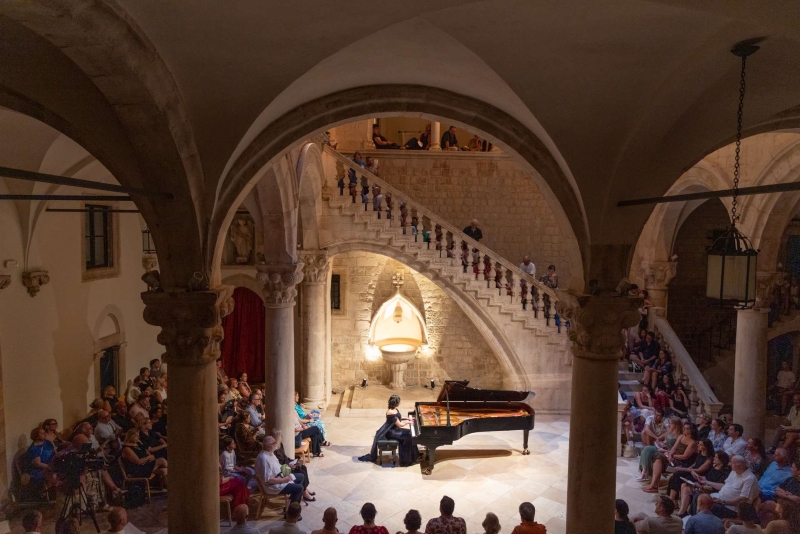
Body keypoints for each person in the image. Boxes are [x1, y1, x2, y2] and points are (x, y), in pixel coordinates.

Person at [359, 395, 419, 467]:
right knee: (408, 437)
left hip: (395, 429)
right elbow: (400, 424)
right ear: (395, 403)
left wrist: (408, 418)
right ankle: (406, 460)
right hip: (391, 432)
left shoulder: (394, 409)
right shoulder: (390, 412)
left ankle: (415, 455)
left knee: (411, 433)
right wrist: (408, 422)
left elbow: (399, 417)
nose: (400, 403)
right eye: (398, 402)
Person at [644, 421, 698, 493]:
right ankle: (654, 485)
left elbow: (685, 456)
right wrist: (670, 456)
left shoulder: (692, 443)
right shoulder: (681, 436)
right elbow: (674, 448)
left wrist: (673, 456)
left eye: (686, 428)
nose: (684, 429)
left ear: (691, 430)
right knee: (658, 458)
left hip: (682, 461)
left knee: (659, 456)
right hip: (673, 457)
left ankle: (654, 485)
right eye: (684, 428)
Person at [256, 436, 304, 512]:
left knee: (301, 476)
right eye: (274, 443)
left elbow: (278, 467)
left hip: (280, 477)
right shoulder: (263, 459)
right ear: (269, 446)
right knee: (299, 488)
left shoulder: (270, 453)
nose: (276, 444)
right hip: (273, 486)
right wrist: (284, 480)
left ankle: (291, 503)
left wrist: (288, 467)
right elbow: (268, 480)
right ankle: (291, 512)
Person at [677, 451, 731, 517]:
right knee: (684, 486)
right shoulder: (713, 468)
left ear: (721, 460)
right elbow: (707, 478)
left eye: (716, 457)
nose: (714, 458)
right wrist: (700, 478)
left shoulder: (724, 472)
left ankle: (682, 513)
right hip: (704, 485)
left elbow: (717, 485)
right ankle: (683, 510)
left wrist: (702, 485)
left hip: (710, 489)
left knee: (688, 490)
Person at [272, 429, 315, 502]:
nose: (282, 437)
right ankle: (304, 493)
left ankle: (305, 489)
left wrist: (292, 460)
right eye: (281, 436)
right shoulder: (273, 451)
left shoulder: (280, 445)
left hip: (287, 464)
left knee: (303, 467)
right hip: (284, 469)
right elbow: (278, 465)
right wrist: (289, 466)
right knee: (301, 471)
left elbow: (285, 457)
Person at [758, 459, 800, 525]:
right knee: (769, 515)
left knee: (767, 504)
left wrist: (784, 494)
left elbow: (797, 499)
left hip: (790, 508)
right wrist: (786, 495)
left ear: (799, 471)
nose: (790, 469)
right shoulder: (791, 479)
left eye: (793, 468)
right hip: (780, 502)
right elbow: (777, 489)